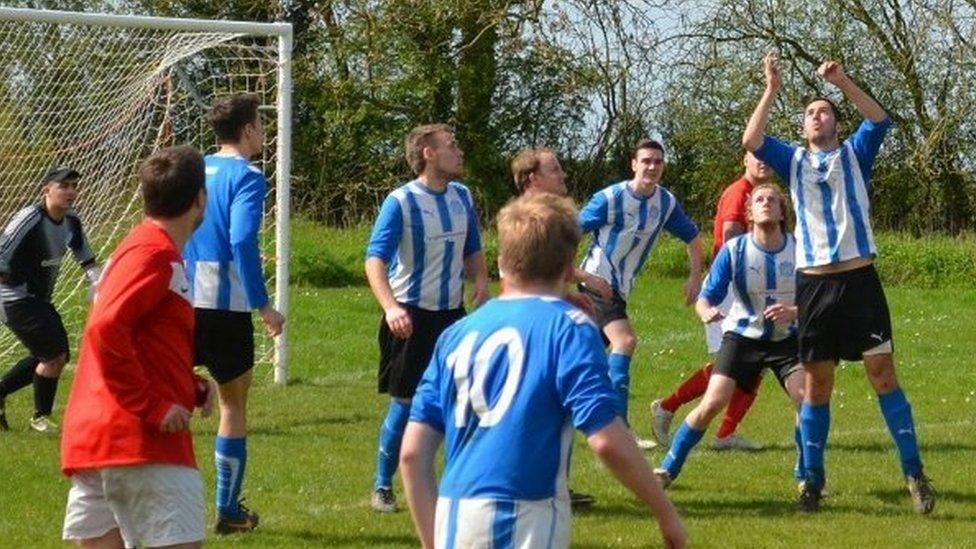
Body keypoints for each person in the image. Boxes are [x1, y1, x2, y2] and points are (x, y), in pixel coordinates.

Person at [399, 193, 686, 549]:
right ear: (569, 267)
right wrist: (665, 512)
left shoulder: (456, 334)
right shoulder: (569, 327)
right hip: (526, 515)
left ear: (501, 262)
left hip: (456, 515)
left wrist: (433, 540)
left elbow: (412, 455)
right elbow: (605, 439)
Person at [743, 53, 934, 513]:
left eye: (824, 110)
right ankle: (812, 480)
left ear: (835, 121)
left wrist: (842, 80)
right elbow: (751, 139)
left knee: (882, 375)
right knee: (818, 386)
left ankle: (915, 474)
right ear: (803, 125)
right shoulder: (790, 161)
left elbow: (880, 117)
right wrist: (771, 87)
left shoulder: (855, 152)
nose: (817, 116)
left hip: (859, 281)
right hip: (814, 286)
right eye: (809, 112)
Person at [61, 145, 216, 548]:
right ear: (200, 198)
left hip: (102, 440)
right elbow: (105, 329)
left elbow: (137, 338)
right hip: (139, 443)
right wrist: (151, 404)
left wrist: (188, 386)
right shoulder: (153, 254)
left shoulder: (141, 248)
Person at [365, 123, 489, 513]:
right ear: (428, 154)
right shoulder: (400, 202)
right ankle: (383, 483)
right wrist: (391, 308)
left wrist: (482, 282)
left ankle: (456, 483)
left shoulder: (462, 197)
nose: (459, 151)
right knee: (405, 402)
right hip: (411, 316)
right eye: (451, 146)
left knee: (461, 399)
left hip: (452, 315)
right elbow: (375, 260)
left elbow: (473, 248)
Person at [653, 183, 805, 487]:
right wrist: (705, 311)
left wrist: (795, 311)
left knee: (806, 401)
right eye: (759, 199)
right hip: (743, 337)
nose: (765, 203)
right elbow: (705, 297)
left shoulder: (801, 249)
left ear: (782, 210)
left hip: (787, 340)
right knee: (713, 402)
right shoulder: (735, 251)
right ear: (749, 211)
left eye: (772, 200)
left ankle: (808, 477)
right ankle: (668, 469)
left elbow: (819, 298)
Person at [183, 94, 285, 533]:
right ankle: (227, 510)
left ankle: (138, 501)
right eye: (261, 123)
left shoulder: (191, 169)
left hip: (181, 298)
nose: (264, 131)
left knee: (166, 398)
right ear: (247, 130)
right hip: (224, 305)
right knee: (232, 404)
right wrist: (263, 304)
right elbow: (243, 239)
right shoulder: (248, 176)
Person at [578, 139, 703, 448]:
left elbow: (693, 237)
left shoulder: (665, 202)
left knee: (583, 358)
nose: (651, 167)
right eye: (645, 161)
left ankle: (553, 410)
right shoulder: (609, 198)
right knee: (625, 341)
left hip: (620, 288)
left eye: (657, 162)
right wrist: (582, 276)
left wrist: (695, 277)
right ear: (633, 164)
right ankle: (620, 430)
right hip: (598, 283)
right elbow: (566, 235)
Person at [651, 152, 776, 451]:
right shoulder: (739, 192)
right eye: (754, 156)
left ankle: (725, 433)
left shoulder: (761, 195)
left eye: (766, 156)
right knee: (731, 365)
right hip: (731, 288)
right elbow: (731, 236)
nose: (762, 160)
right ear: (743, 160)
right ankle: (668, 406)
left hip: (746, 287)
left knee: (755, 362)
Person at [509, 146, 611, 509]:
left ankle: (556, 486)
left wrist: (570, 292)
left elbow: (551, 269)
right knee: (537, 403)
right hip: (533, 322)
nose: (564, 174)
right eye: (555, 169)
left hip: (551, 313)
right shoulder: (527, 218)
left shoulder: (556, 214)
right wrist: (585, 282)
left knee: (558, 404)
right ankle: (531, 485)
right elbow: (523, 273)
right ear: (533, 178)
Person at [0, 166, 100, 433]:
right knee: (54, 355)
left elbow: (85, 255)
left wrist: (99, 282)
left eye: (74, 186)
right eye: (63, 186)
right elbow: (2, 252)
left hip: (38, 299)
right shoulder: (29, 217)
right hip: (12, 296)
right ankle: (40, 418)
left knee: (52, 354)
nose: (70, 192)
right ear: (46, 190)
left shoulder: (72, 221)